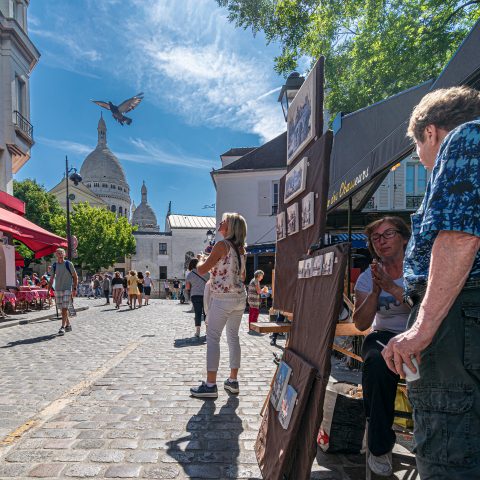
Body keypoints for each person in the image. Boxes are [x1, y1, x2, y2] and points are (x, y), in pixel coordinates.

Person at [381, 86, 480, 479]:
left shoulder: (465, 137)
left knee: (447, 457)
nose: (423, 165)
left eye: (419, 152)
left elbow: (459, 235)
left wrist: (422, 328)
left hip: (457, 322)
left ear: (432, 133)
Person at [352, 217, 411, 476]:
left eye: (388, 234)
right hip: (385, 335)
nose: (381, 241)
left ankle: (431, 431)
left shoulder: (419, 268)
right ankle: (379, 445)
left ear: (404, 238)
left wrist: (392, 288)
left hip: (422, 334)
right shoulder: (368, 277)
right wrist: (377, 291)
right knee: (375, 362)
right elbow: (361, 323)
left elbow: (427, 309)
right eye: (376, 238)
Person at [190, 212, 247, 399]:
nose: (220, 223)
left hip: (223, 298)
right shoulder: (241, 249)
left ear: (229, 227)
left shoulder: (222, 245)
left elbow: (201, 269)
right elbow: (243, 276)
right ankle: (233, 381)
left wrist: (200, 258)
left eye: (224, 221)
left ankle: (210, 385)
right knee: (233, 337)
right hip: (239, 298)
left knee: (213, 338)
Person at [48, 248, 78, 336]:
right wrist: (48, 290)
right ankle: (68, 324)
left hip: (67, 289)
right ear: (56, 255)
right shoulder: (54, 265)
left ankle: (62, 327)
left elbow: (75, 277)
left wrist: (74, 289)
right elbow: (51, 278)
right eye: (58, 253)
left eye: (61, 252)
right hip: (57, 289)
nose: (60, 254)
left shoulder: (69, 264)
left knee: (64, 308)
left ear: (64, 254)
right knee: (62, 309)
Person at [185, 258, 209, 338]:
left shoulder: (190, 274)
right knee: (206, 313)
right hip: (206, 295)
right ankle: (207, 330)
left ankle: (198, 331)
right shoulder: (206, 272)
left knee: (197, 313)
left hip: (195, 295)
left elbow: (187, 287)